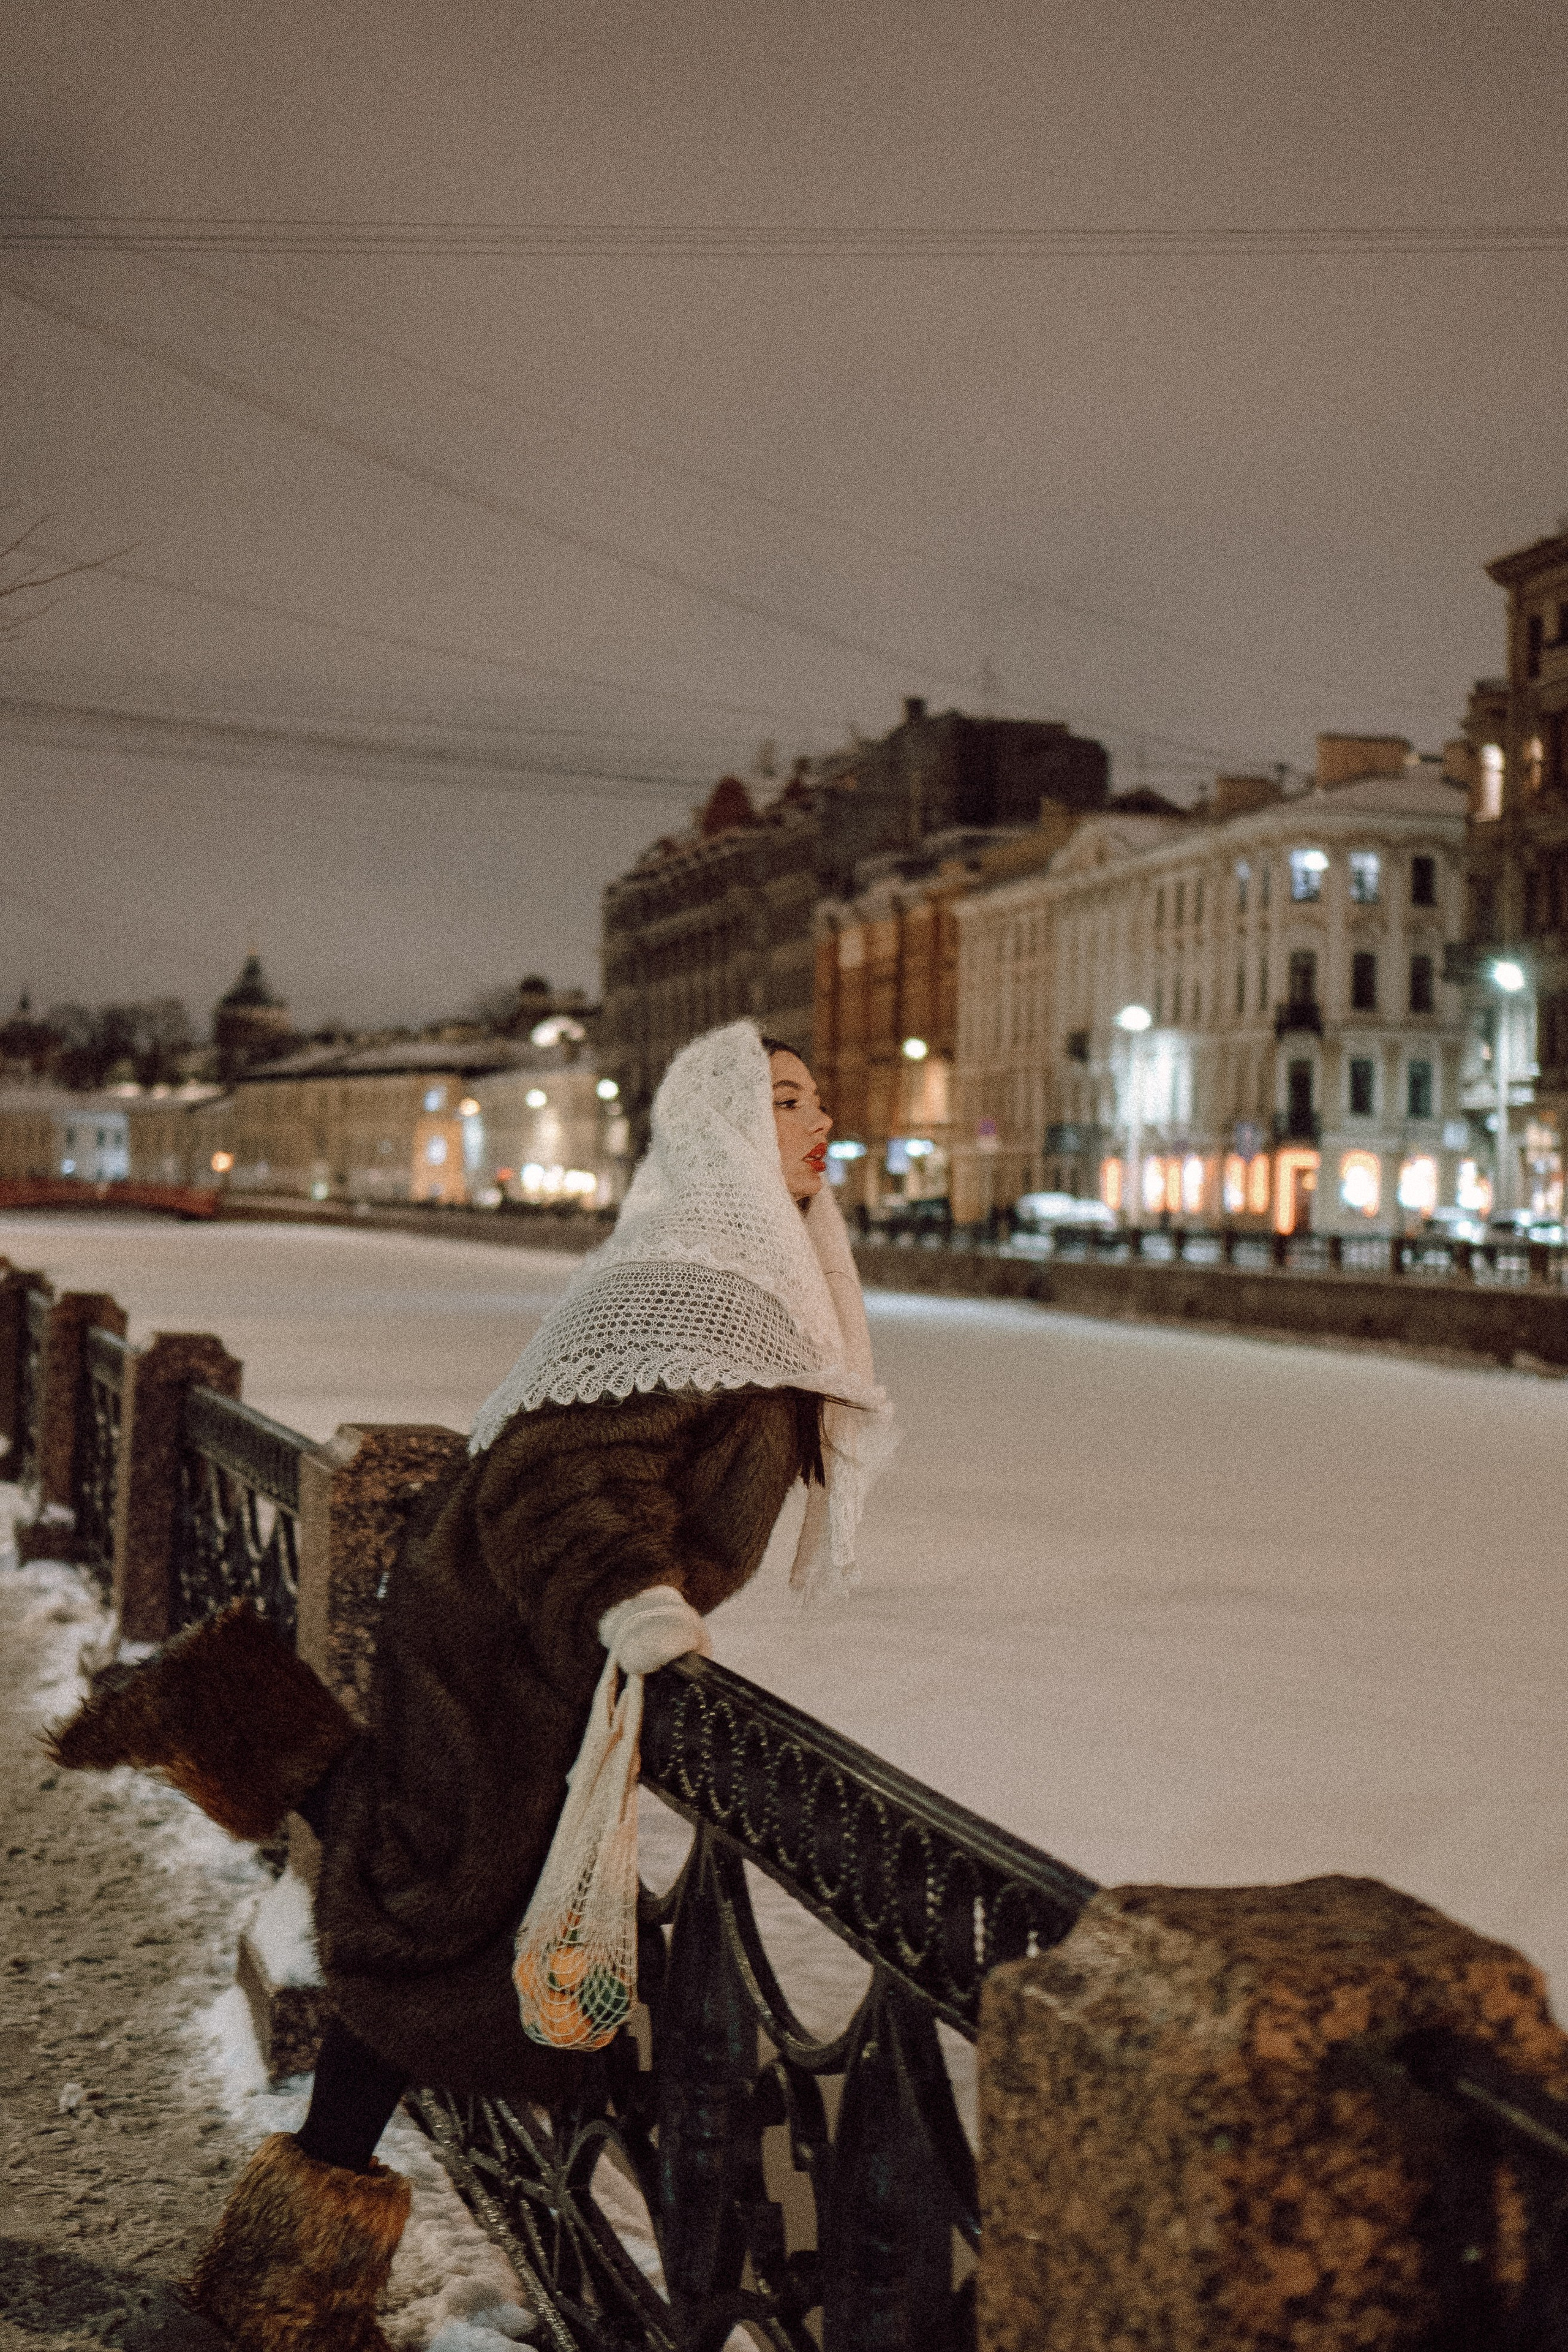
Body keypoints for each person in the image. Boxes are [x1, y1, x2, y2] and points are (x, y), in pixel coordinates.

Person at [47, 1020, 892, 2352]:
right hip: (510, 1639)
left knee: (426, 1914)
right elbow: (561, 1474)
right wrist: (633, 1598)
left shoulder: (741, 1275)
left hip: (524, 1634)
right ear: (722, 1131)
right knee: (437, 1930)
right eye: (784, 1099)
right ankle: (300, 2291)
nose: (817, 1120)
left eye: (820, 1096)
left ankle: (294, 2273)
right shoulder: (694, 1283)